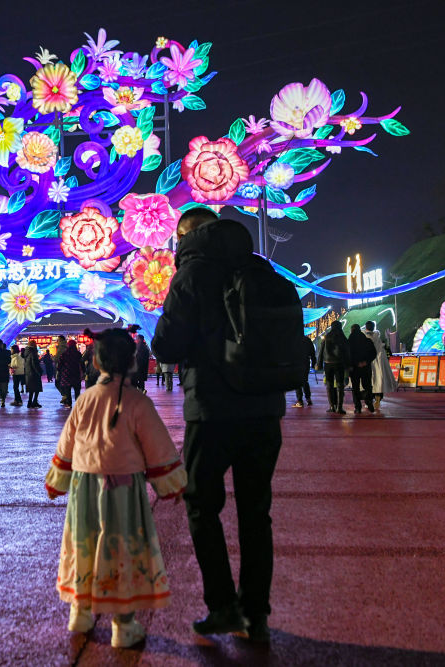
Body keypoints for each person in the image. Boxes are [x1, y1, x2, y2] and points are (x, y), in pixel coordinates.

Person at [151, 208, 284, 643]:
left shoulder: (191, 274)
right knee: (255, 511)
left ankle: (223, 606)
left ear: (187, 235)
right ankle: (255, 613)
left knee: (201, 505)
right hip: (264, 409)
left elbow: (166, 346)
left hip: (212, 411)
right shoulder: (257, 267)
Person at [45, 327, 187, 648]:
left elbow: (67, 445)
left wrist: (57, 481)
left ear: (96, 361)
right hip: (125, 491)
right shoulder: (138, 402)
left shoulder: (85, 399)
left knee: (84, 546)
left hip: (84, 487)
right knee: (123, 550)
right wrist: (172, 484)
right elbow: (159, 449)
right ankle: (123, 624)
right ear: (133, 362)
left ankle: (80, 612)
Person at [317, 322, 350, 415]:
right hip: (339, 364)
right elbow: (347, 352)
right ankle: (339, 407)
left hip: (328, 364)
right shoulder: (342, 337)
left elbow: (321, 351)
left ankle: (332, 406)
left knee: (329, 385)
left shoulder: (327, 337)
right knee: (340, 385)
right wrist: (348, 364)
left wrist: (319, 364)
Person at [364, 321, 396, 410]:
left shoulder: (364, 338)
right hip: (379, 363)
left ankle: (369, 400)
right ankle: (378, 398)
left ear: (366, 327)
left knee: (368, 382)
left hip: (368, 363)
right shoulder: (378, 339)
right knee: (379, 380)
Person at [347, 323, 376, 414]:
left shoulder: (349, 342)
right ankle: (368, 400)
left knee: (355, 387)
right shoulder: (367, 341)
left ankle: (358, 407)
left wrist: (353, 364)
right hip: (365, 367)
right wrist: (366, 362)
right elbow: (373, 353)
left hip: (354, 368)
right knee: (367, 385)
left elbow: (347, 356)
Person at [56, 337, 83, 407]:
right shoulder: (78, 354)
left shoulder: (64, 354)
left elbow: (60, 364)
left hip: (66, 374)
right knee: (77, 390)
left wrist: (59, 371)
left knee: (67, 389)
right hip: (76, 374)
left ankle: (69, 403)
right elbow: (82, 363)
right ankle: (78, 403)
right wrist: (84, 371)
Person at [292, 335, 316, 408]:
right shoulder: (307, 340)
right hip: (306, 362)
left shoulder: (294, 339)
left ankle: (300, 401)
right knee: (305, 380)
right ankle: (308, 399)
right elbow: (312, 353)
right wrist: (313, 363)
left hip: (296, 363)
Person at [23, 341, 44, 408]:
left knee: (31, 389)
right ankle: (34, 402)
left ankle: (30, 402)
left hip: (28, 373)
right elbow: (34, 364)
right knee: (37, 389)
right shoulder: (33, 353)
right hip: (34, 373)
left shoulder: (27, 352)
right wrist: (39, 371)